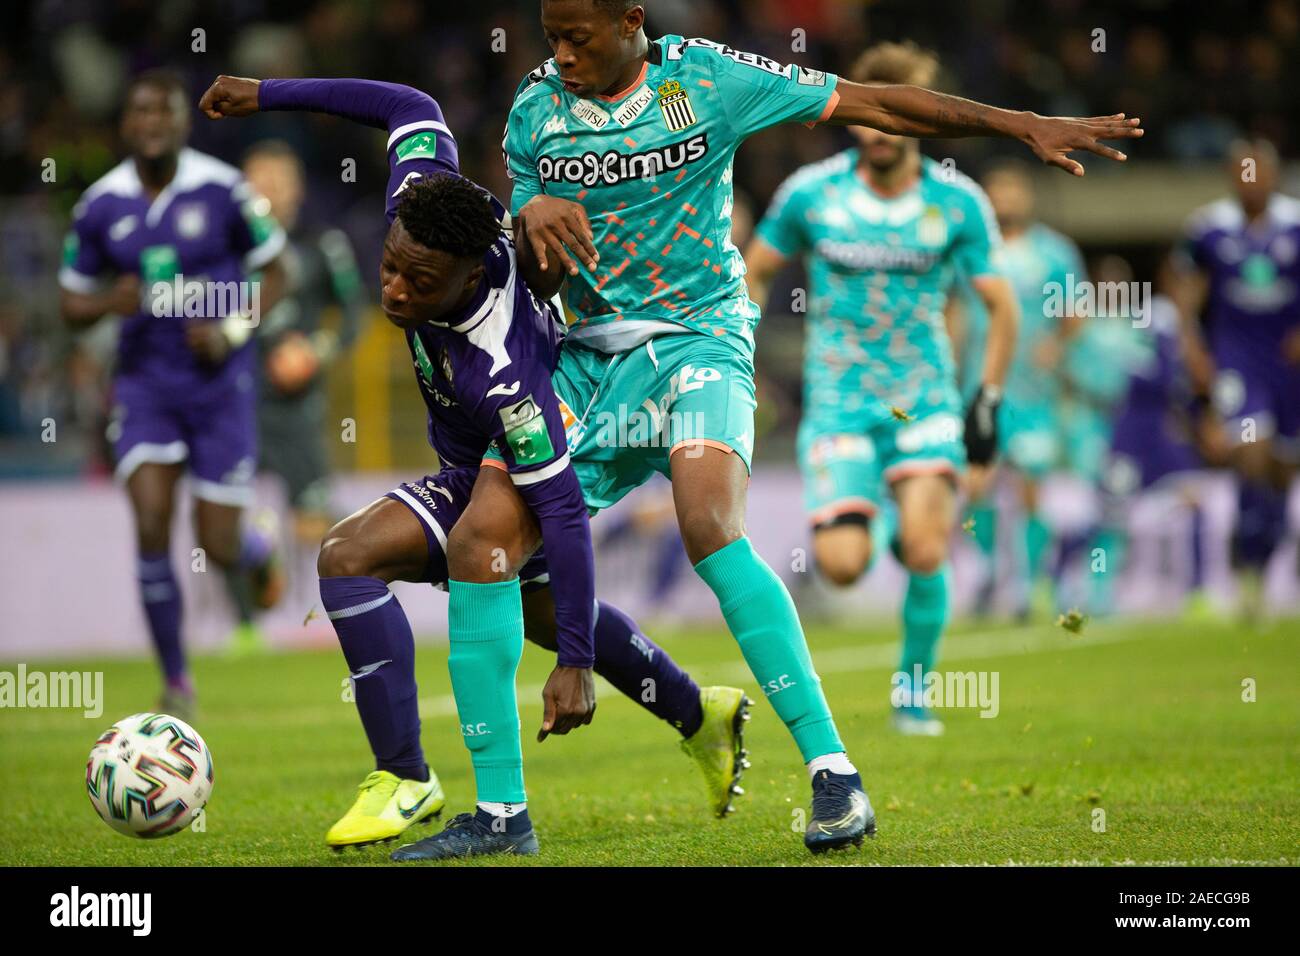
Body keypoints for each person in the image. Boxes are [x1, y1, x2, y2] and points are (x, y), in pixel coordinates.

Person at [500, 0, 1139, 849]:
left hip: (698, 337)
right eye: (552, 37)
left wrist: (1017, 124)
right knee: (504, 555)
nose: (563, 54)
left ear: (630, 20)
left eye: (579, 36)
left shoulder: (711, 78)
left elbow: (878, 102)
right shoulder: (535, 109)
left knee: (709, 526)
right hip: (586, 359)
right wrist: (526, 212)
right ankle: (594, 762)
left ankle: (833, 772)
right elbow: (521, 225)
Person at [199, 75, 750, 860]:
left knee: (349, 557)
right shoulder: (423, 203)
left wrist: (576, 668)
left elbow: (561, 511)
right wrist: (265, 94)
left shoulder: (504, 373)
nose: (393, 289)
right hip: (471, 456)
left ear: (466, 276)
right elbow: (412, 106)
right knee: (539, 609)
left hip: (504, 463)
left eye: (417, 283)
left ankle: (411, 778)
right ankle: (700, 714)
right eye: (390, 266)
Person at [744, 42, 1019, 737]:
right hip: (837, 399)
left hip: (922, 398)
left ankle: (914, 695)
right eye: (871, 116)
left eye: (898, 119)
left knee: (928, 549)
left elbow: (1001, 306)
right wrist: (737, 360)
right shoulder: (813, 192)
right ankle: (896, 517)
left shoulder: (957, 203)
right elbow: (755, 271)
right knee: (839, 567)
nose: (878, 131)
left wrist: (985, 400)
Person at [60, 69, 287, 718]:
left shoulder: (222, 190)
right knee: (152, 520)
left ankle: (252, 551)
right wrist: (108, 299)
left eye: (164, 112)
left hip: (220, 387)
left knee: (216, 543)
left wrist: (232, 327)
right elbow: (70, 301)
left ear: (182, 123)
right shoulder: (101, 205)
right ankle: (178, 682)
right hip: (144, 385)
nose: (152, 122)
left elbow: (280, 271)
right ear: (126, 124)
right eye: (140, 113)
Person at [218, 140, 368, 654]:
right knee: (230, 512)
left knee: (316, 517)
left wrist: (315, 350)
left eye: (277, 182)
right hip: (234, 402)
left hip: (298, 406)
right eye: (257, 182)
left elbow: (355, 316)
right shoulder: (225, 248)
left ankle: (350, 602)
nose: (267, 192)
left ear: (297, 190)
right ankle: (245, 627)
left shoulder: (322, 243)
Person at [1172, 138, 1300, 619]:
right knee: (1250, 452)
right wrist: (1192, 347)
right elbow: (1186, 288)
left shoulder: (1295, 223)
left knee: (1281, 471)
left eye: (1258, 170)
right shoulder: (1209, 228)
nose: (1250, 179)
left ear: (1274, 174)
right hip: (1237, 362)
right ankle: (1248, 562)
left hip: (1289, 368)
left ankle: (1262, 552)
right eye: (1240, 170)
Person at [956, 160, 1087, 620]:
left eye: (1013, 189)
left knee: (1032, 484)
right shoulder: (972, 251)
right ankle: (988, 574)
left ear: (1026, 197)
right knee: (977, 485)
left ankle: (1031, 587)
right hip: (981, 383)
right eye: (998, 189)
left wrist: (1055, 346)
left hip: (1034, 391)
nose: (1006, 198)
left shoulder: (1055, 252)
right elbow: (955, 312)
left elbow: (1075, 311)